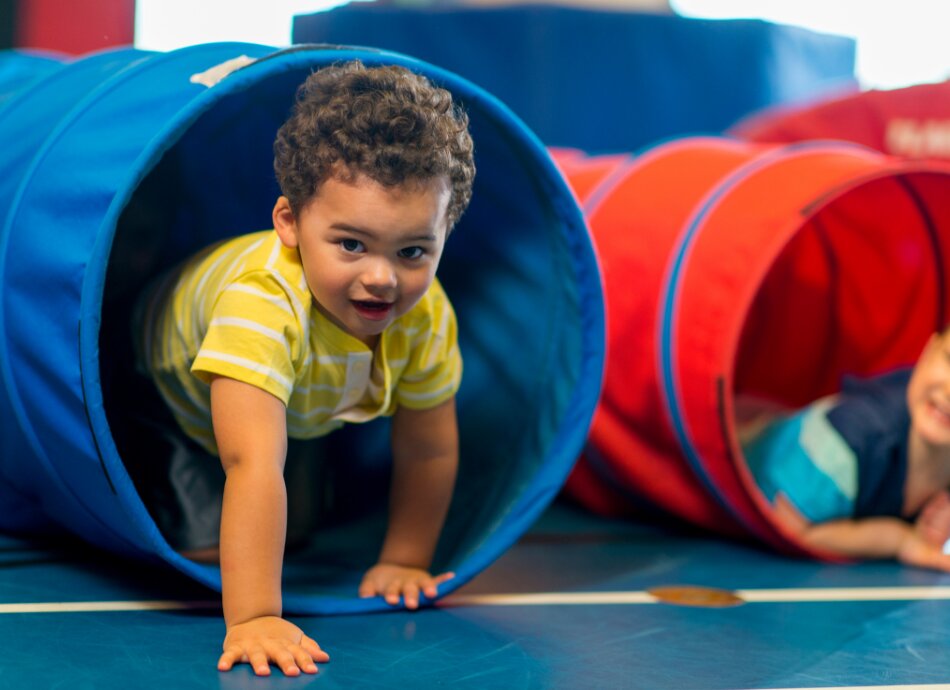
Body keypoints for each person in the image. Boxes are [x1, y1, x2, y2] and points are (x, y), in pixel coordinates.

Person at [129, 60, 475, 677]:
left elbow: (428, 449)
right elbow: (252, 464)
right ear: (289, 222)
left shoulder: (425, 315)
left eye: (413, 251)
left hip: (299, 405)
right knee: (215, 545)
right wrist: (256, 615)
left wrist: (404, 558)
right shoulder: (261, 305)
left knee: (298, 524)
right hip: (163, 394)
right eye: (351, 244)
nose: (381, 277)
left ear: (444, 235)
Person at [740, 326, 950, 571]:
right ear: (928, 351)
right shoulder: (845, 447)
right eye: (948, 360)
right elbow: (797, 529)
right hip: (756, 453)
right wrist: (900, 540)